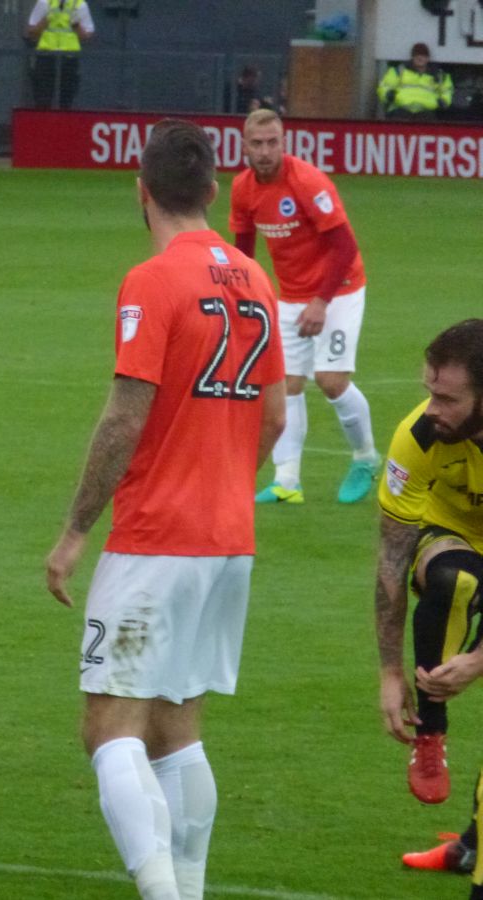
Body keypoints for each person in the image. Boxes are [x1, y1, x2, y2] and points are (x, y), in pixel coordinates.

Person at [44, 118, 286, 900]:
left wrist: (77, 528)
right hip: (229, 541)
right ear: (215, 190)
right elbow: (277, 419)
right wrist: (222, 478)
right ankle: (189, 885)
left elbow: (124, 416)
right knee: (176, 725)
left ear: (140, 190)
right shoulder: (255, 279)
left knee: (109, 725)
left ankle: (161, 892)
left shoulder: (152, 279)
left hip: (157, 539)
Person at [230, 109, 379, 506]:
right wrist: (246, 302)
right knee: (285, 385)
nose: (265, 151)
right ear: (244, 146)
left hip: (340, 288)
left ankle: (365, 458)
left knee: (330, 380)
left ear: (284, 142)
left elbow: (345, 246)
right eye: (257, 144)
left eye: (272, 142)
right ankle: (287, 482)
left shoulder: (307, 181)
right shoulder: (243, 189)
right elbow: (244, 252)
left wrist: (321, 301)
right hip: (290, 297)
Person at [373, 319, 483, 811]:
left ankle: (470, 845)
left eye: (449, 400)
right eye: (429, 392)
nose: (431, 410)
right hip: (448, 538)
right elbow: (393, 559)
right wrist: (390, 673)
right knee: (455, 578)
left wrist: (479, 660)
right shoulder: (417, 437)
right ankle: (431, 733)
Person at [25, 0, 95, 110]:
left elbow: (86, 36)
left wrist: (75, 24)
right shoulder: (44, 2)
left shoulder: (79, 5)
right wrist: (47, 19)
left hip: (69, 59)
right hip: (46, 57)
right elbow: (31, 32)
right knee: (42, 100)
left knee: (66, 101)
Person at [378, 41, 453, 120]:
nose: (420, 58)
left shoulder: (439, 75)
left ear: (428, 58)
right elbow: (384, 86)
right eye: (416, 55)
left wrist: (443, 101)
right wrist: (388, 94)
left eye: (423, 55)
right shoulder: (398, 71)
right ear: (412, 57)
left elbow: (447, 90)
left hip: (426, 113)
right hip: (400, 111)